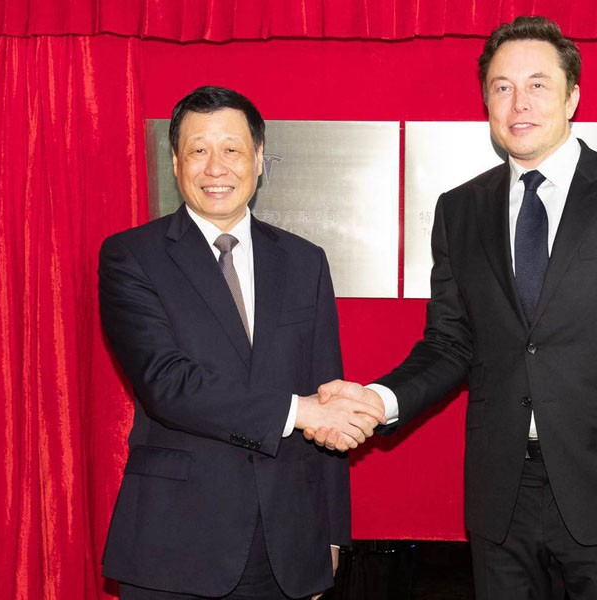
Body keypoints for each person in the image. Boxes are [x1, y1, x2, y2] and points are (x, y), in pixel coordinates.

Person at [308, 16, 597, 600]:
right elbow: (449, 343)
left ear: (573, 95)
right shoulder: (460, 209)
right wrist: (380, 398)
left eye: (538, 84)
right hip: (501, 501)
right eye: (501, 87)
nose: (518, 102)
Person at [99, 86, 384, 599]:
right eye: (198, 150)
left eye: (231, 149)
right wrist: (298, 412)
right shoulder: (132, 257)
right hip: (175, 544)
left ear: (257, 159)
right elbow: (167, 384)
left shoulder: (304, 261)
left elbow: (328, 391)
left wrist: (333, 533)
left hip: (286, 544)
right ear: (175, 161)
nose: (216, 168)